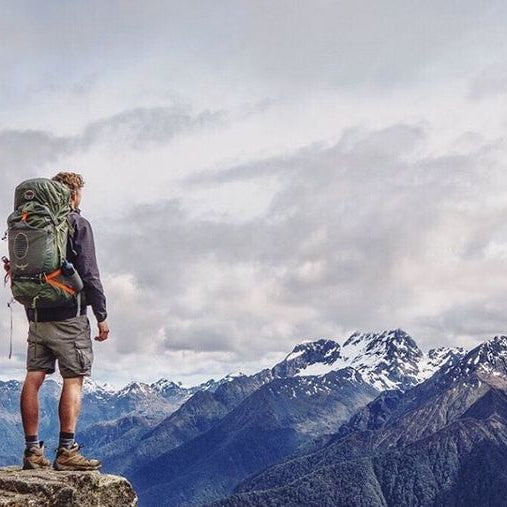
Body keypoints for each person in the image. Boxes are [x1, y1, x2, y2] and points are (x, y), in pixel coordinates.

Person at [14, 172, 110, 470]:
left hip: (37, 314)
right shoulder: (77, 223)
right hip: (69, 315)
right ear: (73, 195)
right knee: (73, 378)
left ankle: (32, 451)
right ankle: (67, 451)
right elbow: (90, 273)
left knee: (34, 376)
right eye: (79, 193)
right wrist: (102, 316)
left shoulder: (30, 221)